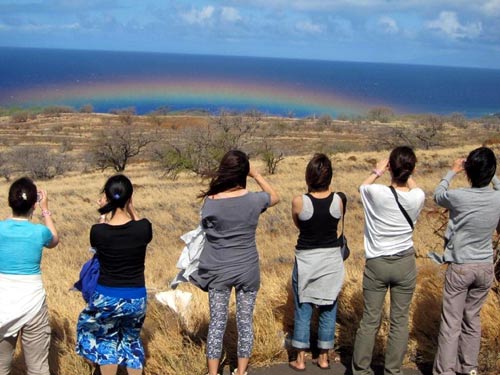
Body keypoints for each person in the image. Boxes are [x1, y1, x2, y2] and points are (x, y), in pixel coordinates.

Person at [190, 150, 280, 375]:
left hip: (219, 270)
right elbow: (275, 197)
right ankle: (241, 371)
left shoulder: (211, 202)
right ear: (243, 173)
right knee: (245, 322)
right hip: (248, 268)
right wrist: (257, 175)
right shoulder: (254, 200)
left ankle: (213, 373)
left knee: (217, 324)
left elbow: (205, 228)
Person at [352, 146, 425, 375]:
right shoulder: (418, 197)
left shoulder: (377, 193)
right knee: (399, 321)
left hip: (377, 263)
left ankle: (360, 370)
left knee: (370, 320)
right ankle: (393, 371)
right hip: (405, 263)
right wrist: (406, 172)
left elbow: (362, 187)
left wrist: (378, 171)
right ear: (411, 169)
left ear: (390, 167)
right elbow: (415, 188)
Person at [432, 147, 500, 375]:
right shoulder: (497, 197)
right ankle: (469, 368)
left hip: (461, 266)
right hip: (485, 266)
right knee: (473, 320)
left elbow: (438, 195)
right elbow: (497, 185)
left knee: (451, 324)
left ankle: (446, 372)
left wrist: (452, 171)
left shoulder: (459, 196)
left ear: (468, 171)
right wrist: (490, 172)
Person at [76, 175, 153, 375]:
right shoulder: (143, 228)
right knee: (132, 343)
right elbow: (139, 223)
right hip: (136, 297)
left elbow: (97, 238)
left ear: (108, 198)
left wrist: (106, 211)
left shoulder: (98, 232)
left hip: (106, 295)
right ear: (130, 198)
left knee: (107, 343)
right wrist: (131, 207)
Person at [288, 153, 346, 371]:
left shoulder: (299, 201)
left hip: (306, 259)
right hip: (331, 259)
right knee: (328, 307)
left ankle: (300, 359)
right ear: (329, 176)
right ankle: (323, 357)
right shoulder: (339, 200)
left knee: (303, 307)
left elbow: (299, 224)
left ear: (308, 176)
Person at [0, 177, 59, 375]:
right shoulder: (40, 232)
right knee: (37, 368)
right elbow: (54, 240)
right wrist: (45, 209)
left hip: (2, 302)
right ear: (33, 204)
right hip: (33, 303)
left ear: (9, 202)